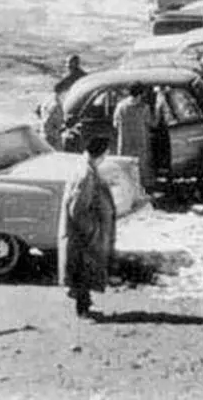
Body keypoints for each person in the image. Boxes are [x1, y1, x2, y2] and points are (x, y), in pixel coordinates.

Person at [58, 136, 116, 318]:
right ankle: (83, 309)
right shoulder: (86, 175)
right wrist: (93, 230)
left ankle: (85, 305)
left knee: (83, 271)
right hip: (85, 236)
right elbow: (78, 209)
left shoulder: (85, 169)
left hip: (83, 234)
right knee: (83, 270)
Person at [112, 87, 155, 189]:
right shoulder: (144, 108)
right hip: (141, 145)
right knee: (141, 170)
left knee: (125, 171)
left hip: (125, 145)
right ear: (140, 95)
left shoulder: (120, 106)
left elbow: (115, 124)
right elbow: (151, 123)